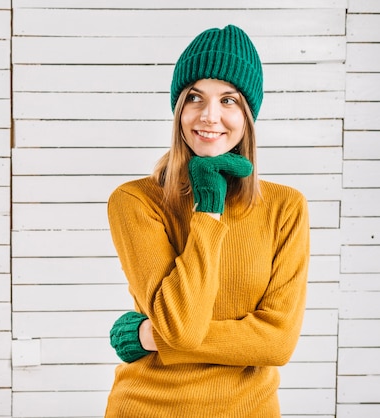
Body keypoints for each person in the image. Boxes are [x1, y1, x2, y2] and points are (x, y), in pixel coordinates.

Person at [104, 25, 310, 417]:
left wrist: (148, 336)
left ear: (248, 115)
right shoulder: (135, 201)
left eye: (229, 100)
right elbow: (181, 326)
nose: (209, 116)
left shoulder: (286, 207)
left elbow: (277, 344)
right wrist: (209, 207)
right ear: (178, 108)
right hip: (148, 407)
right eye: (195, 97)